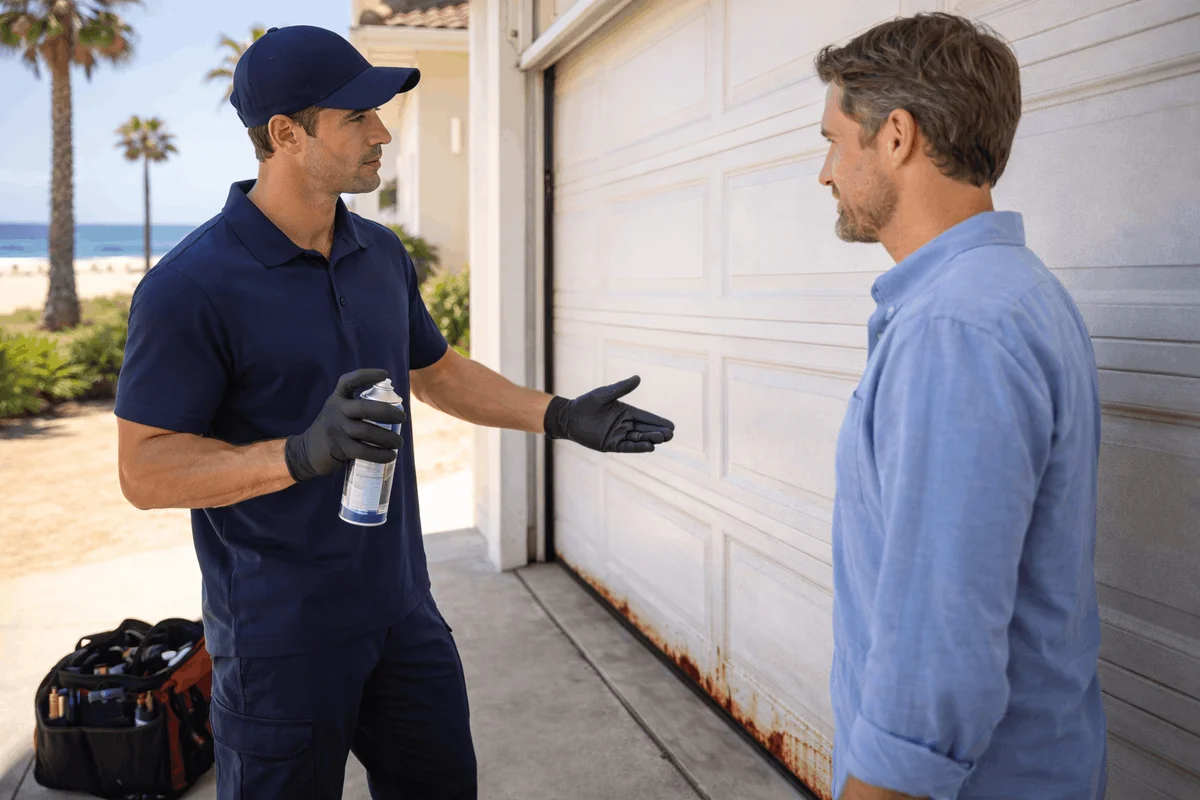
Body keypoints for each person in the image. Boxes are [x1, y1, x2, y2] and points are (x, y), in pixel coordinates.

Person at [113, 24, 675, 800]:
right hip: (281, 639)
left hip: (403, 611)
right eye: (357, 118)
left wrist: (559, 415)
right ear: (286, 135)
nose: (383, 133)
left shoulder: (379, 254)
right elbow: (144, 470)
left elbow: (437, 372)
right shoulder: (190, 287)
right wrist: (298, 454)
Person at [814, 13, 1107, 800]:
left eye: (835, 141)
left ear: (898, 136)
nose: (826, 172)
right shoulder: (1019, 294)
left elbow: (936, 650)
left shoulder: (958, 327)